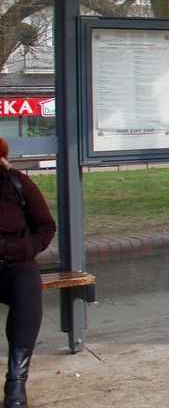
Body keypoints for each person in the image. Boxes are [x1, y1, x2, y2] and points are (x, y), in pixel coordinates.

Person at [0, 136, 56, 408]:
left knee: (28, 291)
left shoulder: (17, 183)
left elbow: (46, 225)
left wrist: (27, 248)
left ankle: (16, 382)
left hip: (16, 264)